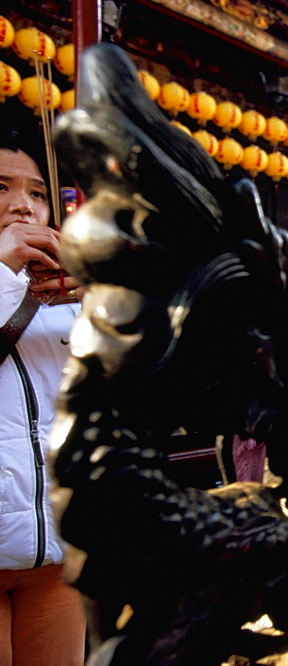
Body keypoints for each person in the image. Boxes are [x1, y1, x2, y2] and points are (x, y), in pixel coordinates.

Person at [0, 126, 86, 664]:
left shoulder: (63, 290)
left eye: (36, 193)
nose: (22, 206)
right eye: (1, 188)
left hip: (56, 544)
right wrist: (4, 272)